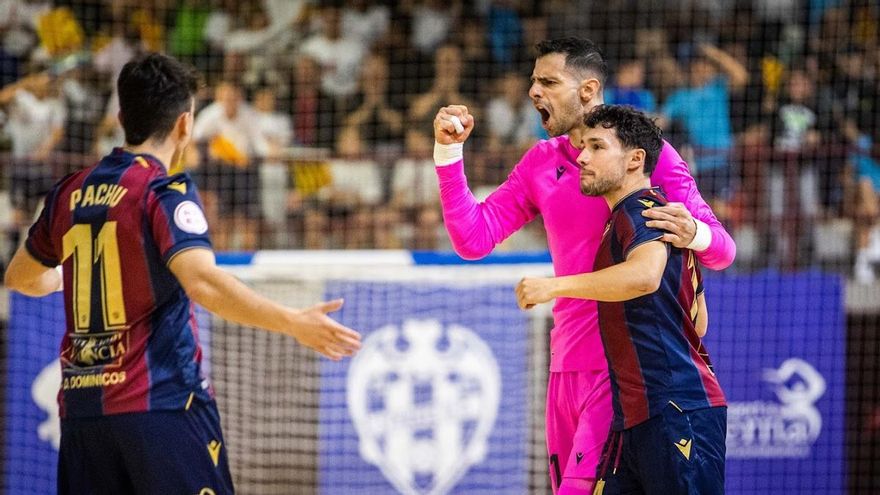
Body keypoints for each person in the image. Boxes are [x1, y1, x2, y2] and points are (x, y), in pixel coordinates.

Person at [3, 53, 361, 495]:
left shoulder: (68, 191)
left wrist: (61, 277)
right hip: (162, 407)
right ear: (185, 125)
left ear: (121, 117)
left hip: (83, 414)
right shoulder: (163, 190)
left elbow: (19, 277)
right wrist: (292, 322)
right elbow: (203, 282)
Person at [432, 37, 735, 493]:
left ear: (588, 90)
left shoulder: (645, 158)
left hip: (621, 371)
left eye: (549, 82)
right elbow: (473, 239)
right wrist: (448, 155)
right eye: (533, 80)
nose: (534, 91)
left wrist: (696, 232)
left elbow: (723, 251)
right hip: (563, 367)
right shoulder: (540, 161)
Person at [516, 104, 726, 494]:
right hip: (636, 412)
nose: (582, 157)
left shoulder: (643, 211)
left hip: (676, 408)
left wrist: (554, 287)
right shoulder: (641, 217)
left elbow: (644, 277)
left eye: (597, 147)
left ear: (635, 159)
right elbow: (698, 322)